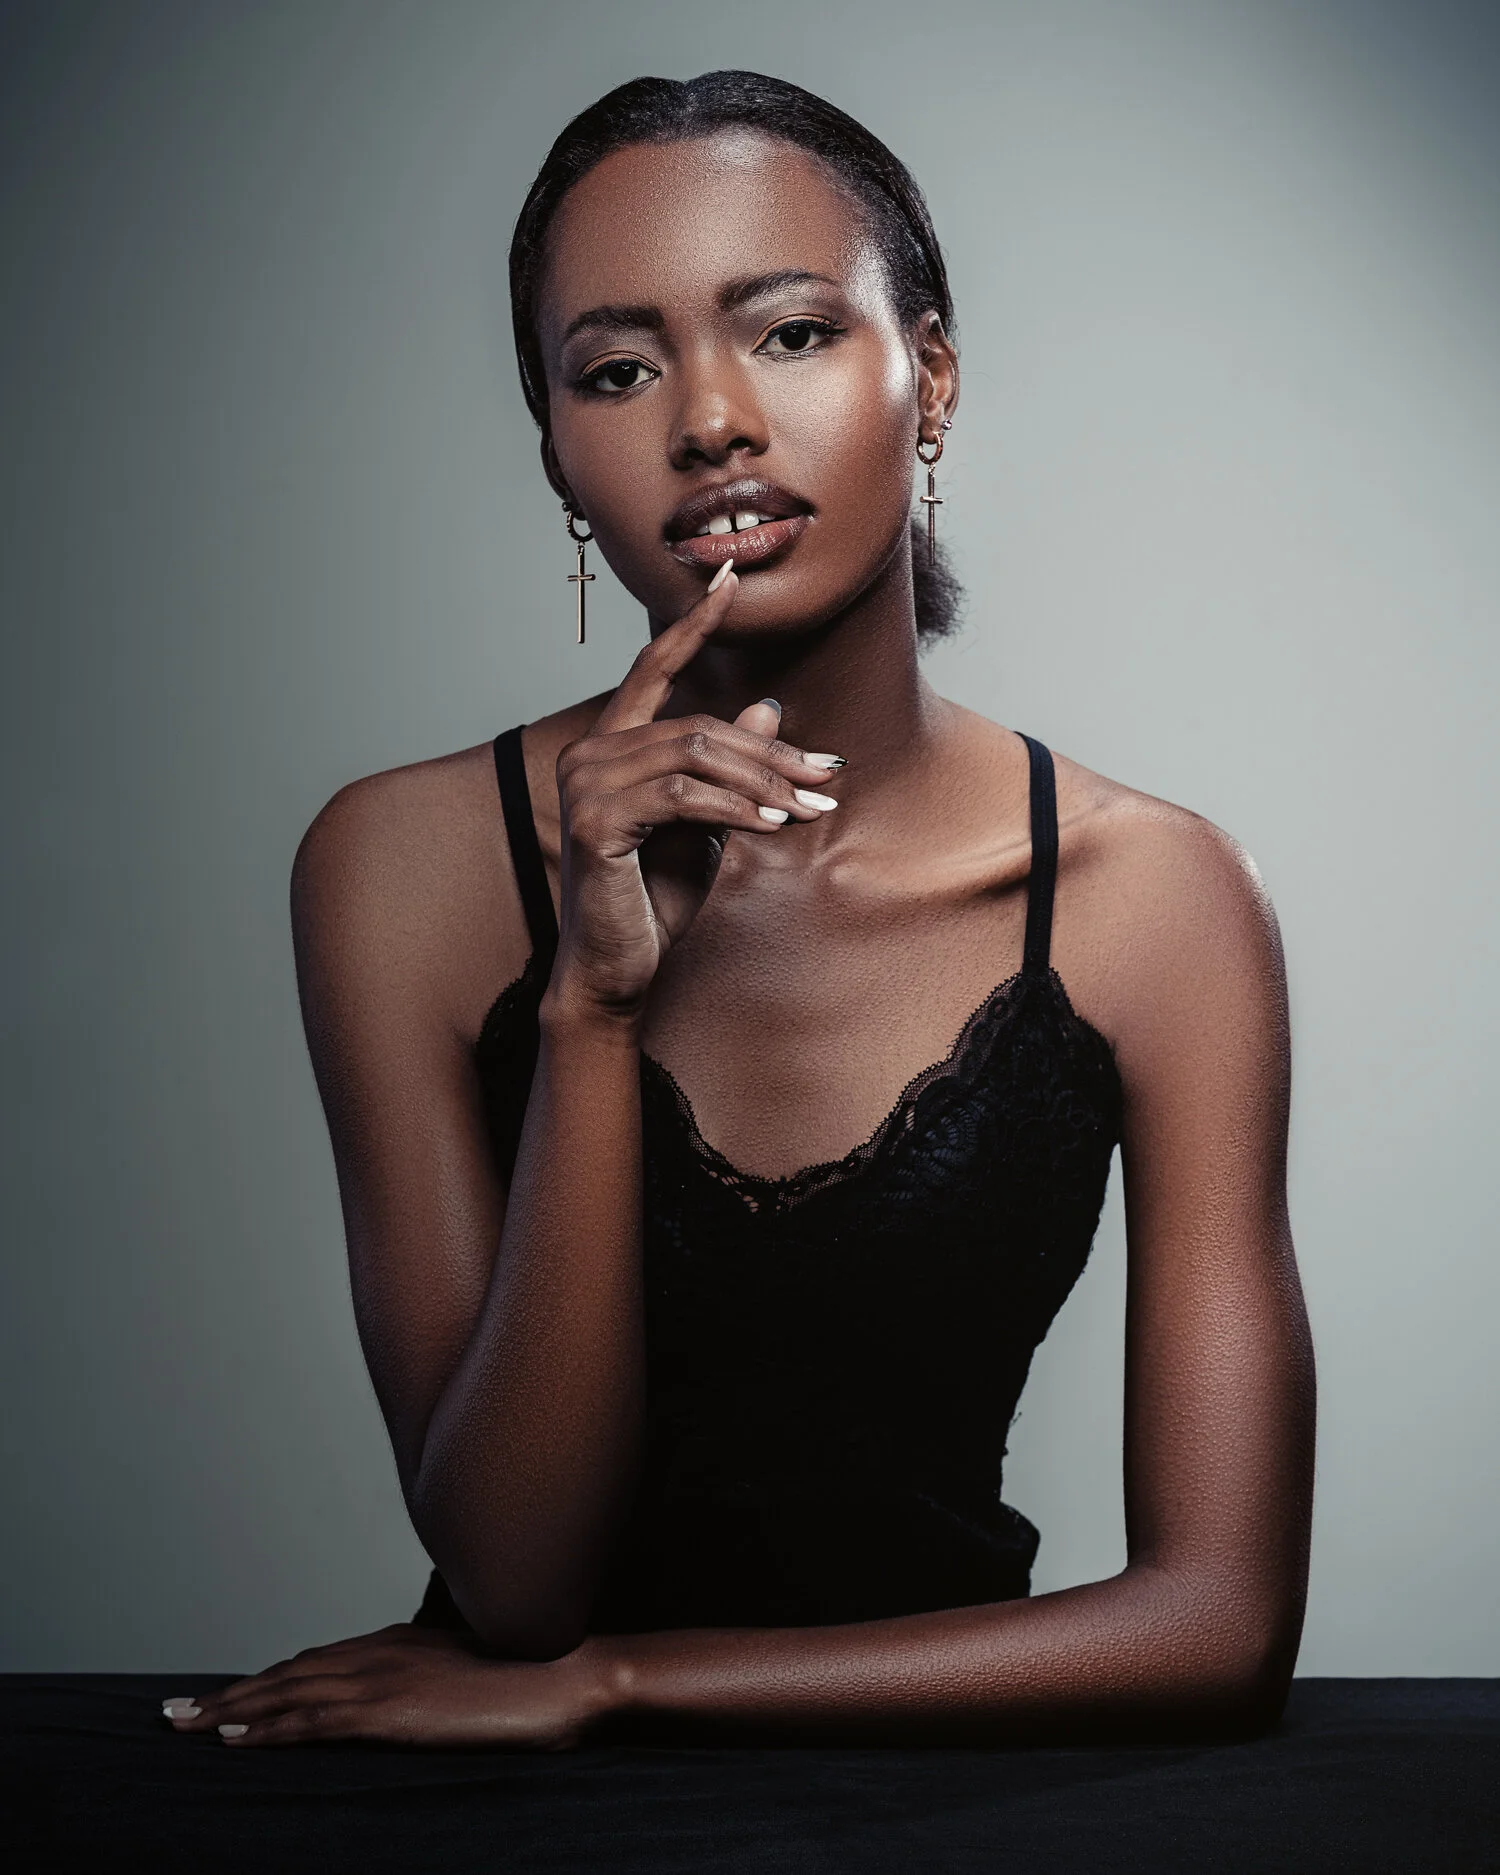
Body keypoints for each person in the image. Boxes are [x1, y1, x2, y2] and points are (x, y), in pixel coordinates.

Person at [162, 70, 1314, 1751]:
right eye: (617, 370)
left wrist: (626, 1683)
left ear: (930, 376)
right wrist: (590, 1003)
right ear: (556, 456)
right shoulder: (401, 867)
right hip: (506, 1817)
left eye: (788, 333)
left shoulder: (1155, 898)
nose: (709, 421)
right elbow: (517, 1582)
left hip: (972, 1787)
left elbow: (1222, 1619)